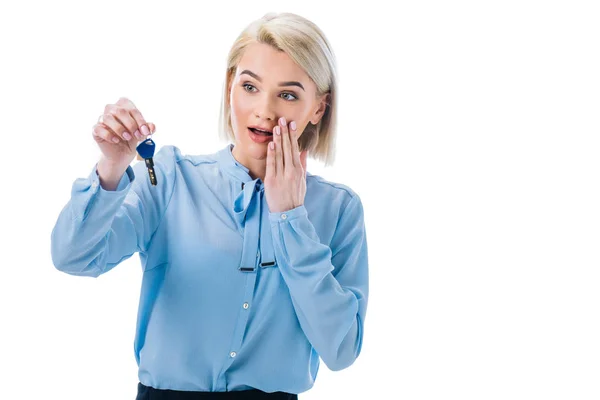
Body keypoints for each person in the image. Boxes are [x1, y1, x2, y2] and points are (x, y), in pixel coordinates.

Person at [51, 12, 369, 400]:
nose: (264, 111)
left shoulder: (339, 210)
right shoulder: (169, 178)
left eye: (287, 94)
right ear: (230, 86)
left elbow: (341, 350)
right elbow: (73, 257)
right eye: (250, 86)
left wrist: (290, 219)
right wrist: (112, 167)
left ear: (319, 108)